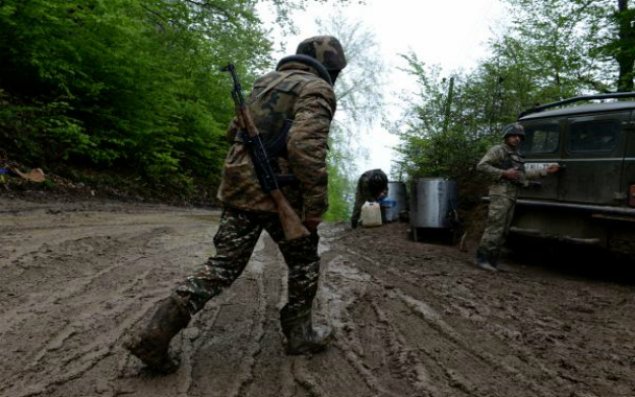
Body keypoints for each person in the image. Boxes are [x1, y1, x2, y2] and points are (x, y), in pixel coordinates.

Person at [123, 36, 347, 373]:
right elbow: (305, 146)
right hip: (281, 194)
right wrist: (316, 205)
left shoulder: (264, 83)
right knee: (303, 263)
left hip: (240, 188)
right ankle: (300, 335)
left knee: (223, 265)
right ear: (331, 69)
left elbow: (233, 132)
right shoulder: (317, 89)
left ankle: (155, 334)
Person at [475, 123, 560, 271]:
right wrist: (503, 173)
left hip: (512, 194)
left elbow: (522, 174)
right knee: (495, 227)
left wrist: (545, 171)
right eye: (514, 136)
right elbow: (482, 166)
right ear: (507, 136)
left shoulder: (517, 155)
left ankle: (494, 260)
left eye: (520, 137)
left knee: (504, 229)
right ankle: (482, 259)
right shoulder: (498, 150)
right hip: (500, 193)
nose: (517, 139)